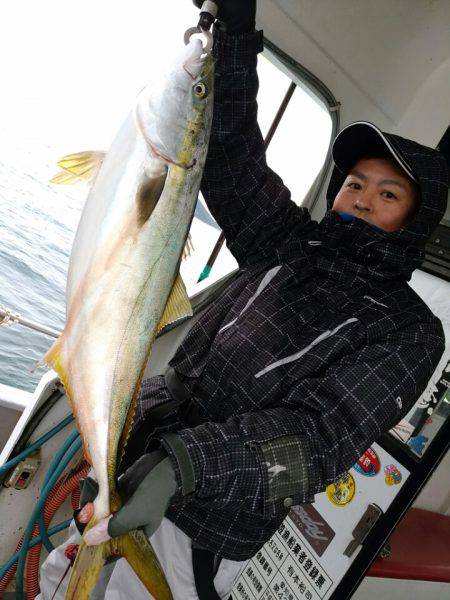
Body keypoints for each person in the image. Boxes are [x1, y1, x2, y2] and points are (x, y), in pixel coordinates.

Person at [37, 1, 449, 599]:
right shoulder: (291, 241)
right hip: (137, 452)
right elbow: (230, 155)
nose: (361, 197)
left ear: (414, 221)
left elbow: (315, 443)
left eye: (388, 193)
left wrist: (186, 466)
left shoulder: (408, 331)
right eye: (355, 182)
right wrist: (230, 33)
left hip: (204, 524)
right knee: (61, 580)